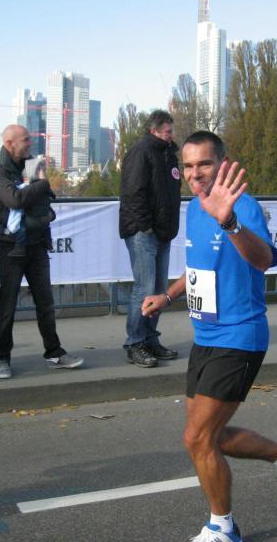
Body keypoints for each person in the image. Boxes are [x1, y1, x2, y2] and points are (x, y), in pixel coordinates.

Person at [141, 131, 277, 542]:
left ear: (222, 164)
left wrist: (230, 221)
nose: (195, 174)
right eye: (188, 166)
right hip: (205, 336)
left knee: (197, 438)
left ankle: (223, 527)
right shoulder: (193, 208)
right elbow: (198, 268)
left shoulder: (242, 206)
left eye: (204, 164)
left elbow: (263, 260)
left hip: (240, 336)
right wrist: (167, 296)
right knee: (211, 437)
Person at [0, 124, 83, 379]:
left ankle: (54, 352)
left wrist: (35, 196)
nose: (31, 143)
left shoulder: (32, 164)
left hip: (37, 243)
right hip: (10, 246)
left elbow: (43, 201)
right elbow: (14, 200)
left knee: (45, 302)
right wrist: (40, 185)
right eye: (26, 140)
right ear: (9, 143)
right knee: (7, 305)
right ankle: (1, 357)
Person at [119, 109, 182, 368]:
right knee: (144, 289)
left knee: (157, 289)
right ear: (154, 130)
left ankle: (149, 338)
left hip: (162, 231)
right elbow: (133, 192)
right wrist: (145, 227)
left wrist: (165, 227)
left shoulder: (168, 155)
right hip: (144, 232)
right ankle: (135, 342)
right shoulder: (141, 151)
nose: (171, 135)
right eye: (168, 131)